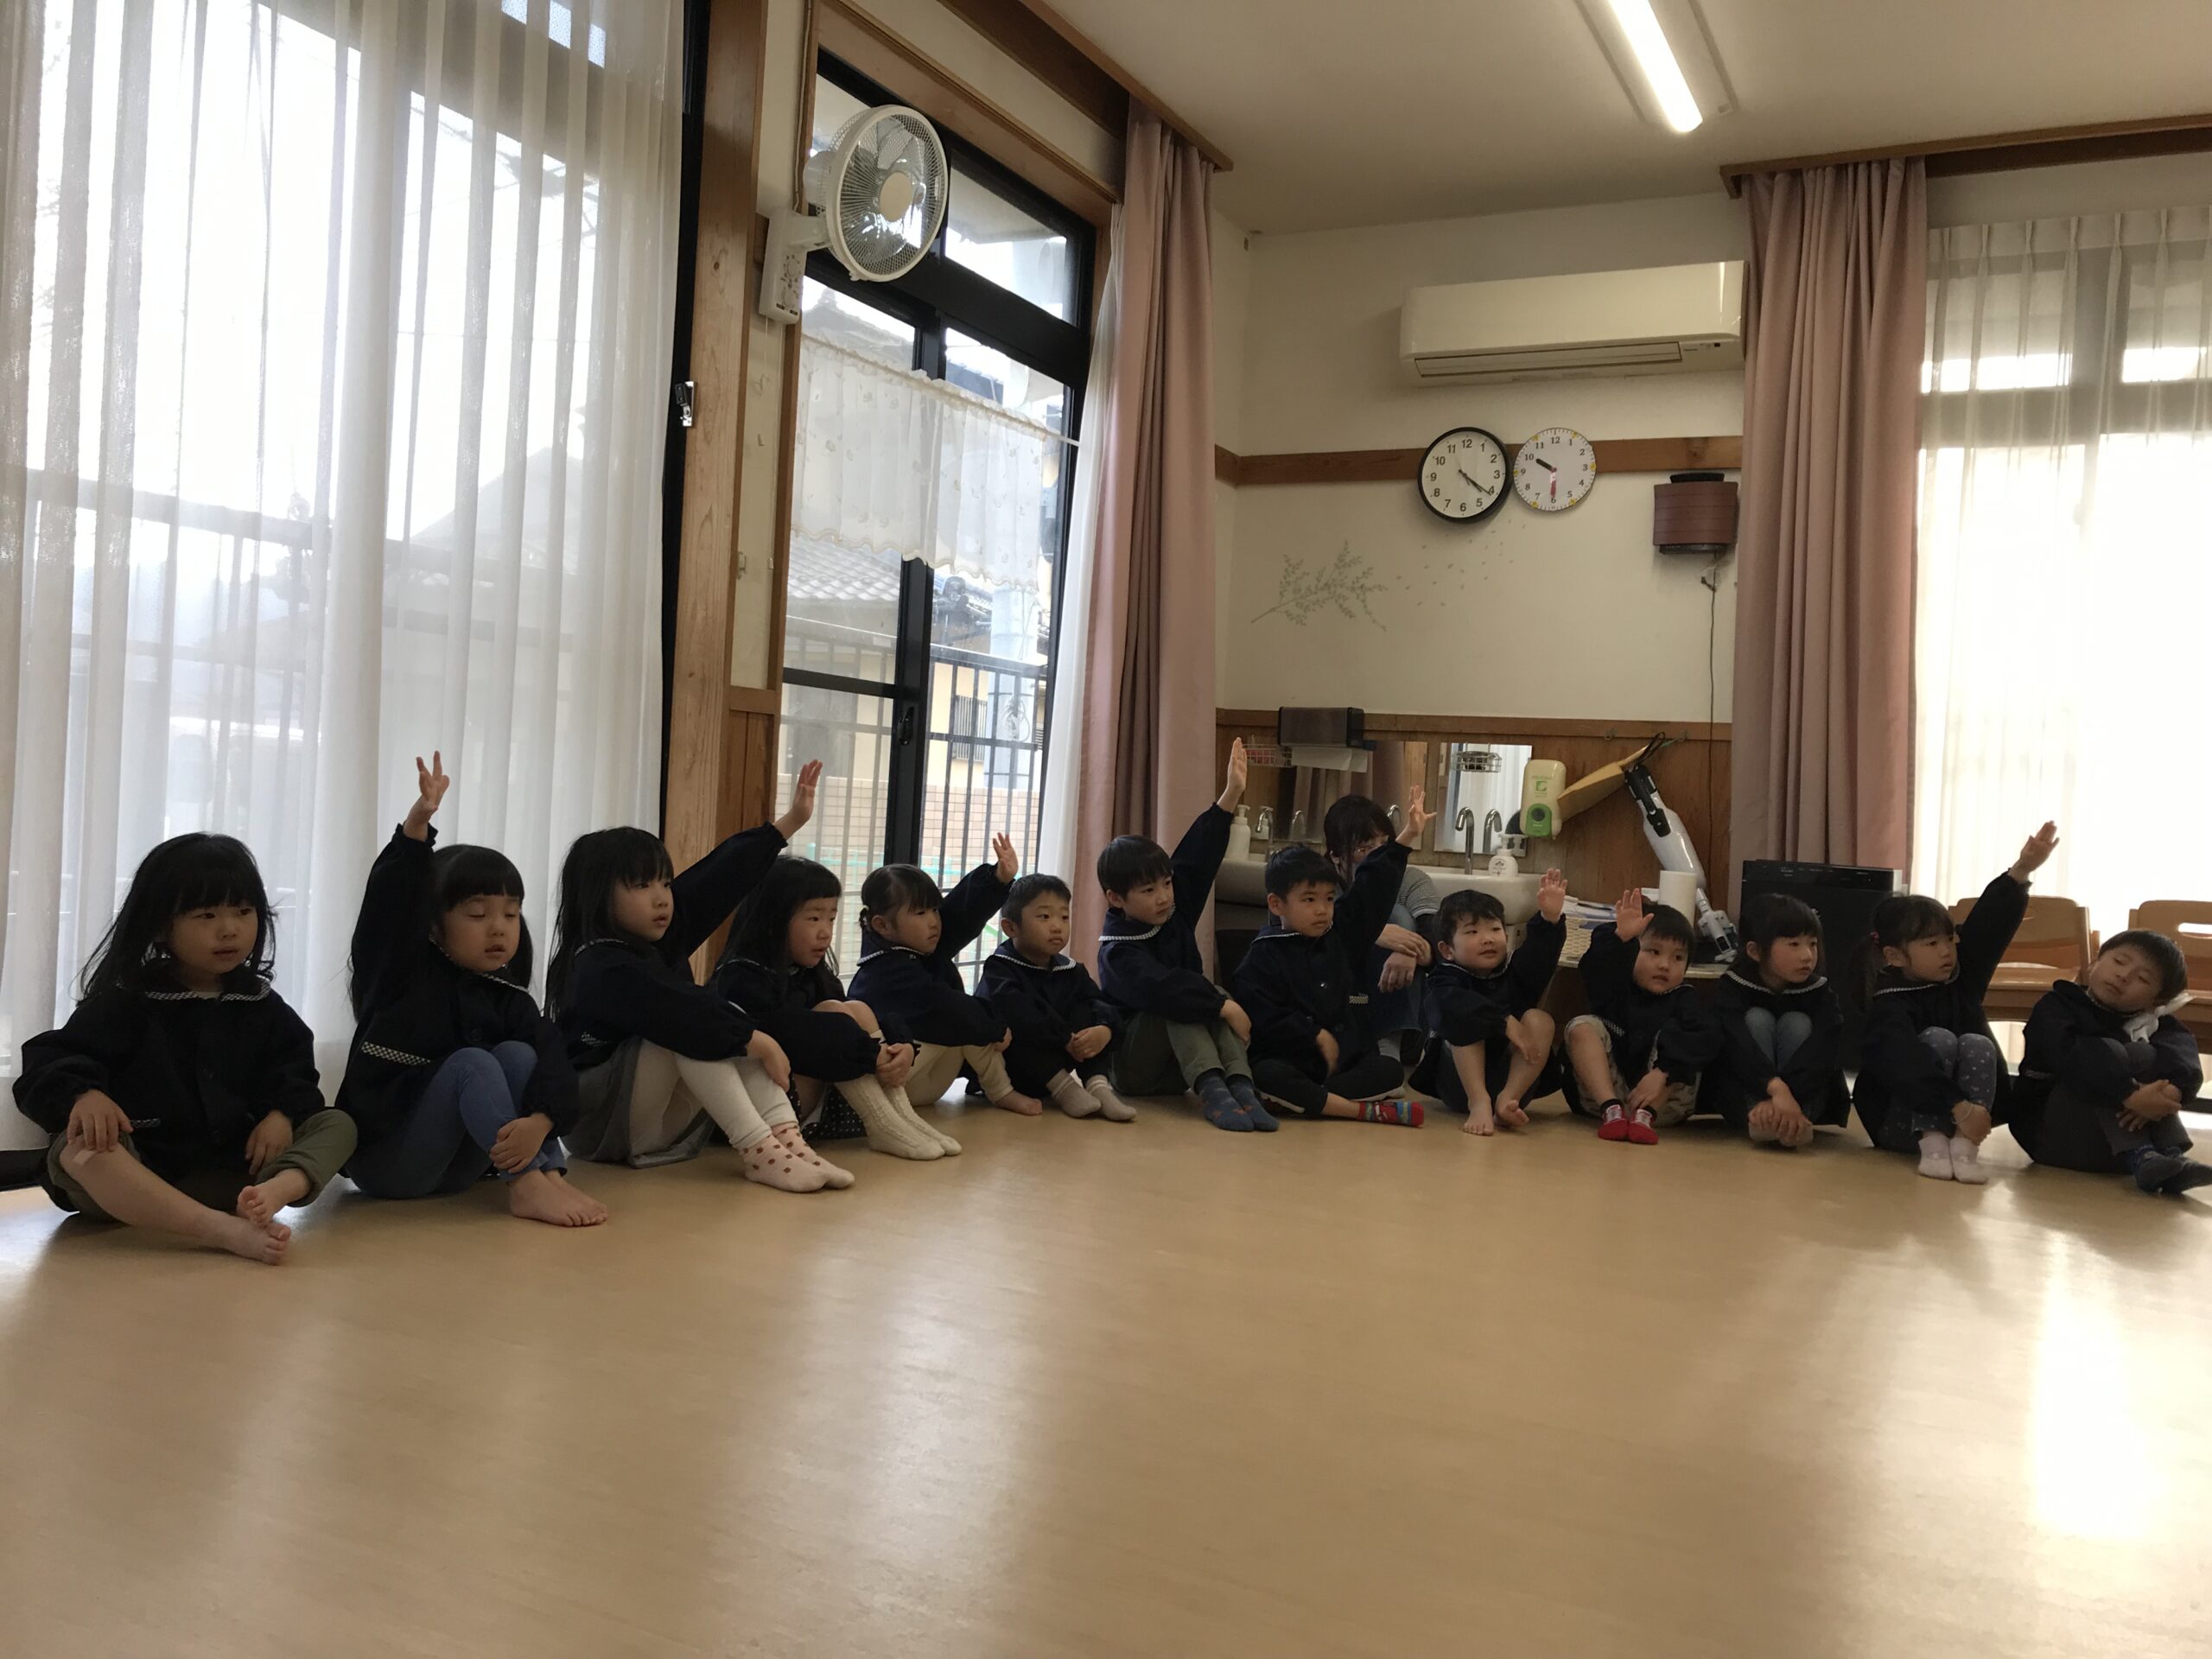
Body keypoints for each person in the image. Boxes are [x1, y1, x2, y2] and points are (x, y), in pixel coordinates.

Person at [13, 833, 355, 1264]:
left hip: (233, 1171)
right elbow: (49, 1060)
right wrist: (85, 1094)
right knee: (79, 1149)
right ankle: (218, 1229)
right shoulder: (126, 1001)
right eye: (206, 915)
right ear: (160, 926)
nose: (229, 929)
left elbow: (295, 1071)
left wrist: (282, 1115)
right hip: (134, 1181)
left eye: (243, 911)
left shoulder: (261, 1004)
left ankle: (270, 1194)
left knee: (338, 1123)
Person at [546, 760, 851, 1192]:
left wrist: (787, 825)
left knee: (717, 1023)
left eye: (665, 884)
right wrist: (757, 1040)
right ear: (597, 896)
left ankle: (788, 1140)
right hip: (599, 1128)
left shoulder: (659, 936)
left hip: (655, 1120)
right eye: (642, 886)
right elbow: (677, 1013)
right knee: (694, 1026)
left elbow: (715, 879)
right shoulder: (598, 964)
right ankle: (759, 1150)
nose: (661, 898)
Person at [341, 753, 605, 1225]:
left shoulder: (508, 996)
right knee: (472, 1063)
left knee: (520, 1054)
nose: (499, 928)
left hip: (459, 1170)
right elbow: (388, 912)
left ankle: (548, 1175)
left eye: (510, 914)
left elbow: (554, 1061)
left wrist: (542, 1120)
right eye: (478, 915)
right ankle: (527, 1184)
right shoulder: (402, 972)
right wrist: (416, 830)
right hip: (389, 1165)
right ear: (433, 925)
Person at [1849, 823, 2058, 1183]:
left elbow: (1988, 928)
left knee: (1976, 1042)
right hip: (1899, 1124)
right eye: (1931, 944)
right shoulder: (1889, 1004)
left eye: (1949, 939)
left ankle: (1963, 1150)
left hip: (1961, 1123)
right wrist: (1957, 1106)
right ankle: (1933, 1144)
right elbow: (1904, 1064)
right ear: (1895, 956)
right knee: (1939, 1040)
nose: (1946, 951)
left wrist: (2021, 870)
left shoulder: (1961, 979)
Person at [715, 857, 957, 1162]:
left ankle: (902, 1118)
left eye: (831, 919)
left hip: (813, 1100)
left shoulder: (809, 971)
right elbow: (794, 1031)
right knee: (834, 1013)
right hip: (764, 1110)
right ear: (773, 919)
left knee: (854, 1008)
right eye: (814, 918)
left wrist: (901, 1044)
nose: (825, 932)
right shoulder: (742, 977)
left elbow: (854, 1018)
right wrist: (870, 1053)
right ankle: (883, 1123)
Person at [1096, 739, 1274, 1131]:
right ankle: (1213, 1092)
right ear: (1116, 898)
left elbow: (1196, 859)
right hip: (1133, 1071)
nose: (1164, 896)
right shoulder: (1117, 951)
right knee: (1188, 999)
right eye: (1148, 890)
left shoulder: (1171, 912)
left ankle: (1240, 1085)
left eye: (1166, 884)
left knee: (1209, 995)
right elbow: (1164, 988)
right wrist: (1224, 1006)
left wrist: (1230, 796)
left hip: (1176, 1068)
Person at [1230, 786, 1432, 1124]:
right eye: (1309, 900)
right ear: (1277, 904)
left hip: (1340, 1061)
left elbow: (1370, 890)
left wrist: (1406, 838)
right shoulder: (1263, 954)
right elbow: (1266, 1016)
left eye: (1327, 899)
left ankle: (1309, 1099)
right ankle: (1357, 1110)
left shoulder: (1338, 935)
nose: (1322, 910)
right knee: (1267, 1073)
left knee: (1389, 1071)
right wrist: (1312, 1034)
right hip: (1291, 1057)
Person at [847, 837, 1041, 1117]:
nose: (933, 921)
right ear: (882, 925)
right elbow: (944, 1006)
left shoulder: (915, 946)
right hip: (899, 1085)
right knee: (968, 1018)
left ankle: (1002, 1092)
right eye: (920, 912)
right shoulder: (885, 971)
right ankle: (1002, 1091)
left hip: (929, 1079)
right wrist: (994, 1026)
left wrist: (997, 879)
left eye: (934, 910)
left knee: (973, 1019)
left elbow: (958, 914)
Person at [2012, 931, 2209, 1196]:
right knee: (2109, 1051)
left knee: (2148, 1054)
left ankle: (2169, 1157)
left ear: (2157, 1001)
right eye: (2119, 961)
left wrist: (2173, 1092)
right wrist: (2129, 1095)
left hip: (2111, 1153)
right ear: (2095, 962)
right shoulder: (2056, 1007)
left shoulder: (2155, 1022)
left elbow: (2183, 1055)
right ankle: (2143, 1154)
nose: (2124, 975)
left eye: (2143, 978)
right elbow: (2069, 1055)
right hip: (2051, 1137)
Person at [1561, 891, 1722, 1146]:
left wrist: (1663, 1072)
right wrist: (1620, 938)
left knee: (1680, 1035)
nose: (1665, 965)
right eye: (1654, 952)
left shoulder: (1684, 997)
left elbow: (1708, 1037)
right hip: (1605, 1099)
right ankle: (1611, 1111)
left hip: (1664, 1104)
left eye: (1678, 957)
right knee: (1582, 1026)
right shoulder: (1615, 987)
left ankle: (1644, 1116)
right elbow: (1594, 968)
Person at [1420, 870, 1567, 1135]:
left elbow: (1538, 960)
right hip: (1459, 1086)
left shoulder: (1513, 970)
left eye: (1495, 929)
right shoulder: (1445, 977)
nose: (1487, 938)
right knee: (1465, 1018)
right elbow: (1445, 1005)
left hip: (1514, 1080)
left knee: (1540, 1019)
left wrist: (1549, 919)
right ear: (1447, 950)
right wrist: (1502, 1020)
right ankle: (1479, 1102)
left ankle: (1507, 1102)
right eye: (1472, 931)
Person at [977, 874, 1135, 1120]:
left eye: (1064, 917)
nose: (1057, 926)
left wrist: (1105, 1029)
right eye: (1044, 917)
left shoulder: (1070, 969)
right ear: (1011, 927)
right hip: (1014, 1071)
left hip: (1062, 1053)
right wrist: (1064, 1037)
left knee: (1087, 1010)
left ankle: (1098, 1086)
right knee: (1018, 1023)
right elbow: (1020, 1012)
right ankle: (1065, 1088)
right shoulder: (999, 969)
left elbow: (1100, 1003)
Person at [1703, 894, 1846, 1148]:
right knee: (1757, 1019)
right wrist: (1773, 1088)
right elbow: (1735, 1046)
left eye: (1812, 944)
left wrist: (1789, 1095)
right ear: (1755, 951)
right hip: (1745, 1095)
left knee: (1797, 1023)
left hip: (1802, 1097)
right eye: (1794, 944)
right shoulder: (1733, 987)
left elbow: (1823, 1052)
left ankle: (1793, 1120)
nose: (1807, 955)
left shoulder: (1820, 992)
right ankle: (1762, 1115)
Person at [1323, 795, 1440, 1066]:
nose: (1378, 854)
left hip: (1408, 1025)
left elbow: (1440, 943)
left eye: (1384, 844)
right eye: (1365, 848)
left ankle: (1389, 1052)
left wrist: (1408, 950)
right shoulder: (1319, 886)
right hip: (1337, 1010)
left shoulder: (1411, 880)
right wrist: (1372, 933)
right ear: (1336, 856)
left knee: (1398, 916)